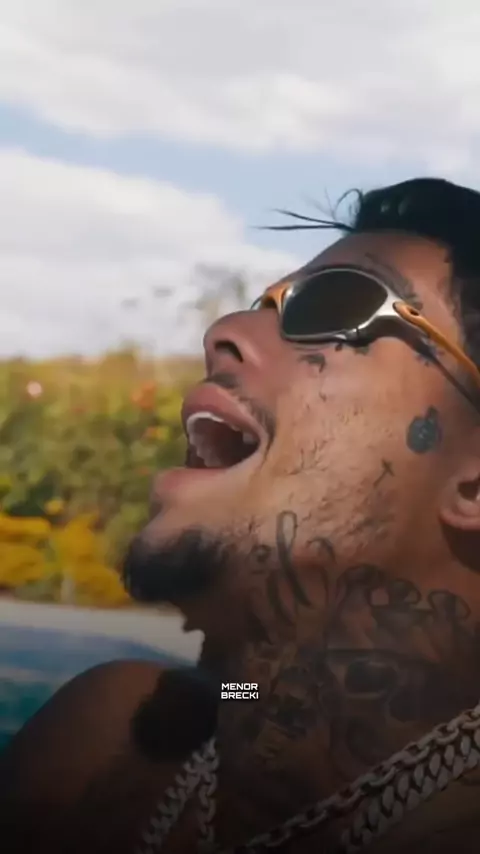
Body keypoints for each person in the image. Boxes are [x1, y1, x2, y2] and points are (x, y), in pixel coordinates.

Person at [2, 176, 480, 854]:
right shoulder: (105, 732)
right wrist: (228, 686)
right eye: (263, 304)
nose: (223, 331)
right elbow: (247, 693)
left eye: (338, 301)